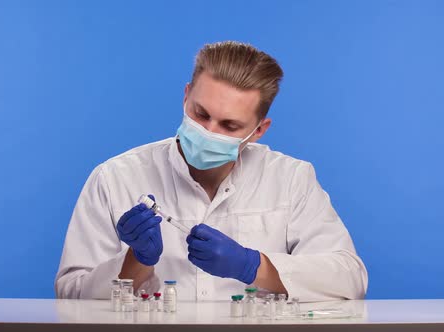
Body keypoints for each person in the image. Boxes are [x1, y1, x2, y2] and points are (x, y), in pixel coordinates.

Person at [55, 41, 368, 302]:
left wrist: (253, 266)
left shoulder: (290, 179)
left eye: (229, 125)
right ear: (186, 95)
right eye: (200, 113)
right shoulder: (115, 178)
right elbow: (69, 297)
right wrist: (136, 260)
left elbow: (349, 280)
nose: (208, 131)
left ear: (259, 130)